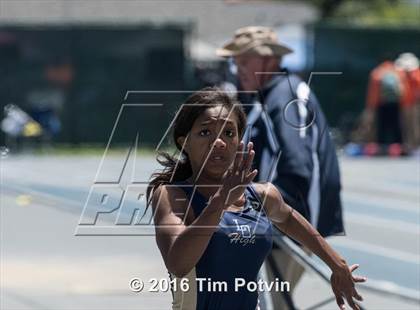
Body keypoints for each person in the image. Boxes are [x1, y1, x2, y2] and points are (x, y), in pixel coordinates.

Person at [147, 87, 366, 310]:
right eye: (205, 133)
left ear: (240, 141)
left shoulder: (260, 195)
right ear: (184, 142)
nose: (219, 142)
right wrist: (220, 201)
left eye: (229, 133)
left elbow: (289, 219)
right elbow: (178, 264)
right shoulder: (171, 195)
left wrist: (337, 264)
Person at [216, 26, 345, 308]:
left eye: (244, 61)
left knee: (271, 303)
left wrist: (254, 208)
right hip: (274, 222)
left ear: (268, 60)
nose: (238, 70)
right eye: (235, 63)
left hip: (290, 223)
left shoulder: (287, 95)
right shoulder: (264, 96)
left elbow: (298, 168)